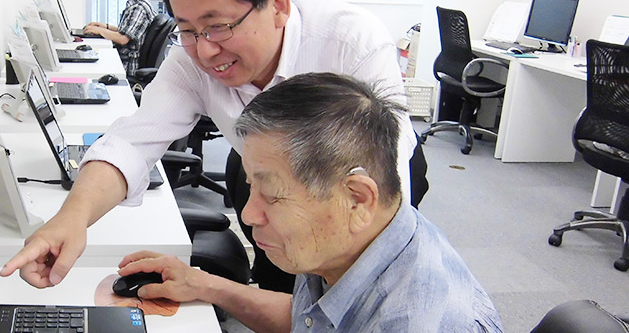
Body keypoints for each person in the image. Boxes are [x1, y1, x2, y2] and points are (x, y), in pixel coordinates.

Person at [0, 0, 428, 290]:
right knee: (280, 280)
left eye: (218, 26)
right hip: (263, 174)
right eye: (187, 30)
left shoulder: (349, 41)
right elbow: (132, 142)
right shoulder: (189, 61)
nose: (204, 51)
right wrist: (72, 218)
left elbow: (385, 184)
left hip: (361, 179)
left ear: (278, 6)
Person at [118, 73, 503, 332]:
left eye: (272, 195)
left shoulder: (418, 321)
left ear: (357, 199)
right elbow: (310, 319)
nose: (248, 214)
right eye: (252, 187)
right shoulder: (352, 239)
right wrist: (204, 285)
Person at [82, 0, 157, 74]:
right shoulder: (138, 4)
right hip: (123, 61)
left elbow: (123, 39)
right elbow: (128, 31)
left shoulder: (139, 8)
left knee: (88, 65)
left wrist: (99, 31)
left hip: (127, 66)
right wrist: (105, 27)